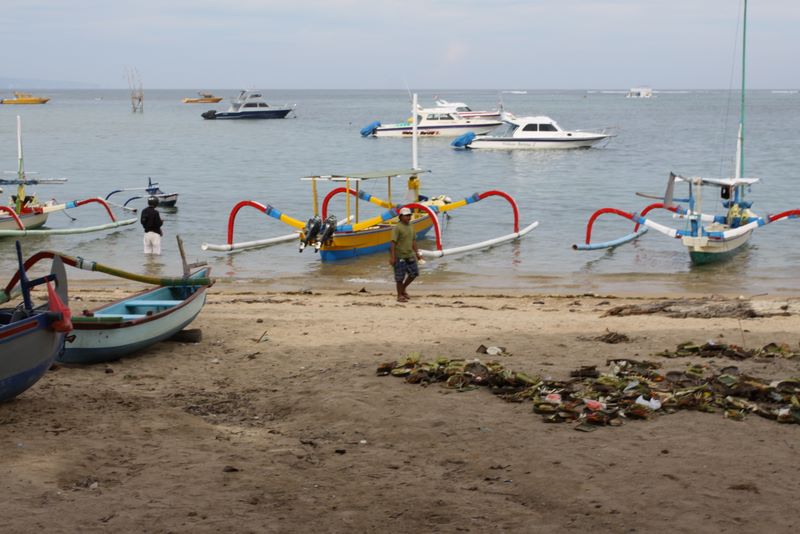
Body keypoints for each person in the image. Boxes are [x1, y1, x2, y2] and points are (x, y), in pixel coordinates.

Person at [389, 207, 422, 302]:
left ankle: (403, 289)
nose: (408, 217)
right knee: (400, 278)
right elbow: (393, 243)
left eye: (409, 215)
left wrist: (417, 253)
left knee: (414, 273)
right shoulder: (397, 228)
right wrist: (392, 257)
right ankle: (399, 295)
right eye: (406, 215)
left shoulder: (411, 226)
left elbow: (413, 241)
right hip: (399, 256)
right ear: (400, 217)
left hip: (409, 255)